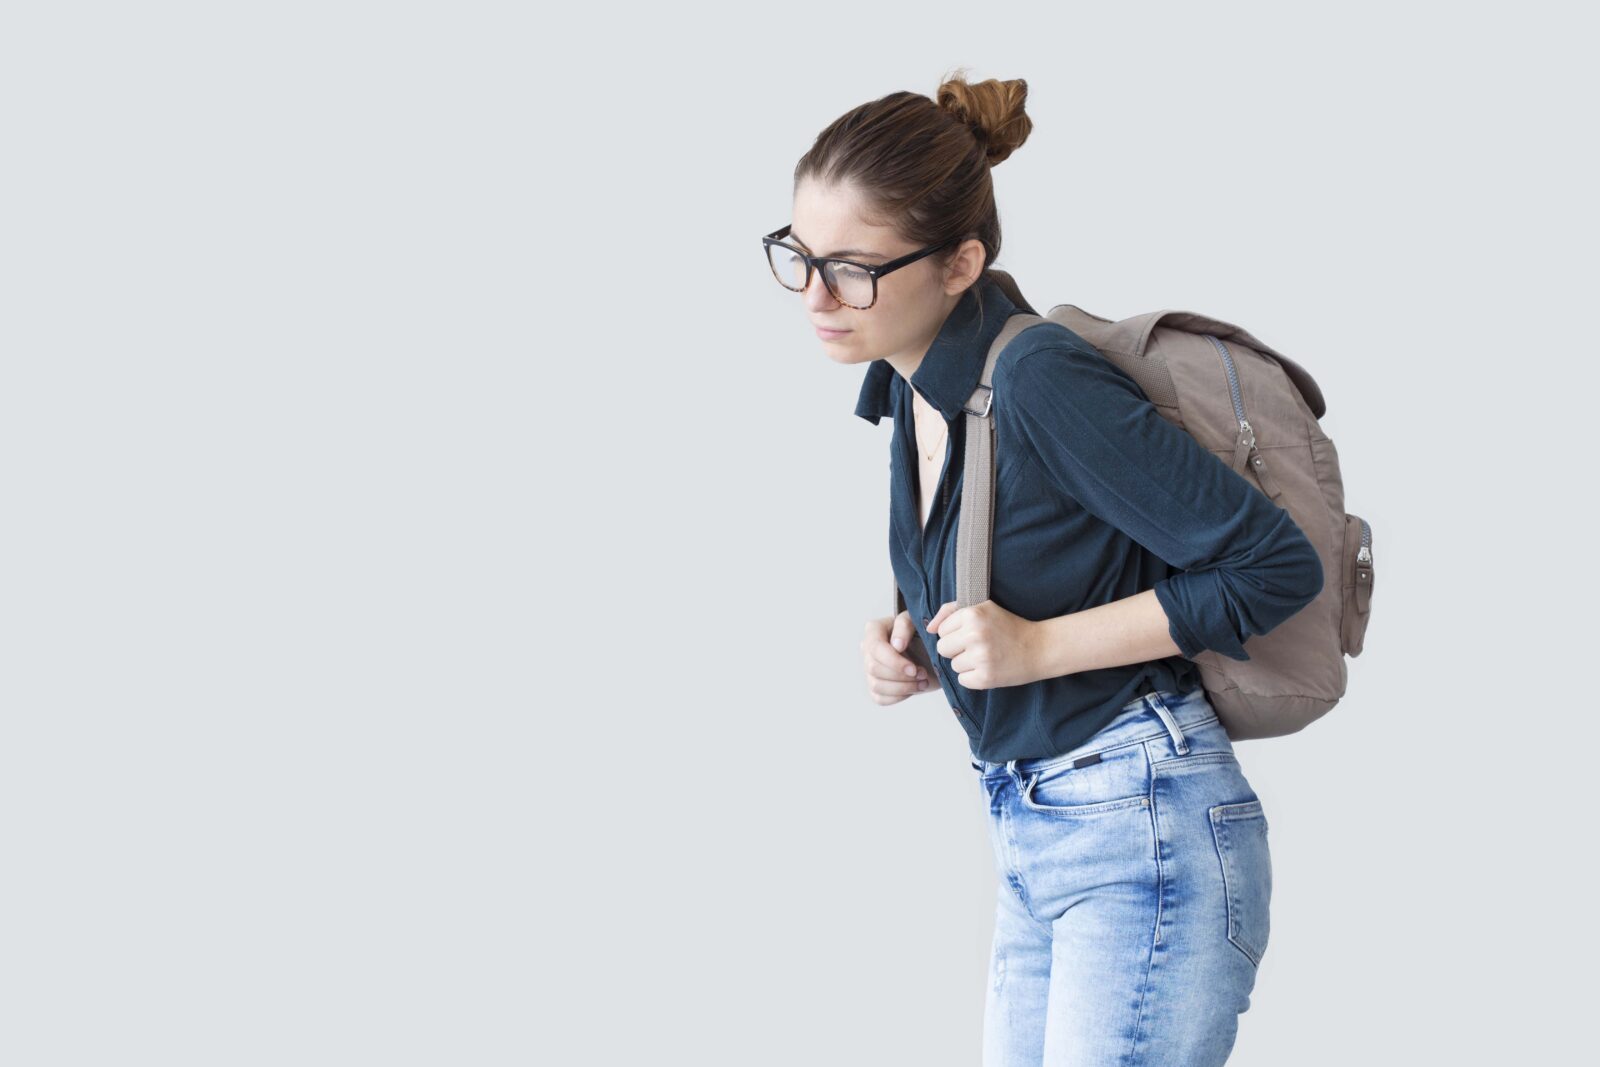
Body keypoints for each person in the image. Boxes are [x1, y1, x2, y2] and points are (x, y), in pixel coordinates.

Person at [762, 70, 1325, 1066]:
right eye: (798, 255)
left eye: (851, 267)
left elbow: (1269, 564)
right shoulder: (906, 390)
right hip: (1034, 828)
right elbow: (1038, 560)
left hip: (1142, 825)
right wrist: (916, 643)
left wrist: (1035, 646)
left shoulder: (1036, 376)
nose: (815, 294)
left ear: (959, 261)